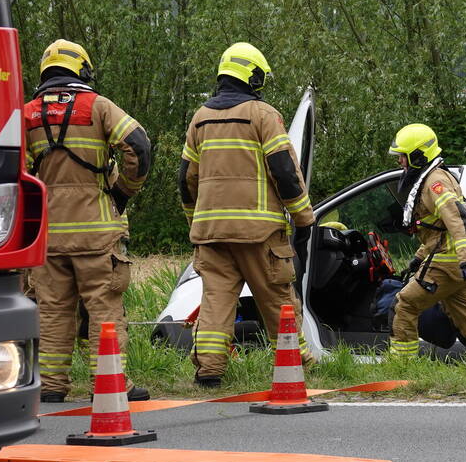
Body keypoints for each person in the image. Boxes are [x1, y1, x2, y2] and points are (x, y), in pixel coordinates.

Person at [178, 42, 315, 387]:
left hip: (212, 235)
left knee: (215, 303)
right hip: (260, 234)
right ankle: (296, 364)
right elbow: (284, 171)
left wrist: (196, 221)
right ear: (253, 77)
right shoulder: (263, 115)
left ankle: (209, 371)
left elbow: (186, 179)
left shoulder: (200, 119)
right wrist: (303, 218)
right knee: (278, 300)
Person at [24, 39, 152, 403]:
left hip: (48, 235)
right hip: (97, 233)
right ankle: (108, 382)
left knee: (52, 310)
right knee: (104, 308)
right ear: (83, 70)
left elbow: (12, 170)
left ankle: (51, 385)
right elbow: (139, 147)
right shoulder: (99, 106)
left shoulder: (26, 114)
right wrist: (121, 194)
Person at [387, 123, 466, 365]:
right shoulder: (432, 177)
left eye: (403, 156)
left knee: (405, 304)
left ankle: (402, 367)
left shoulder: (435, 182)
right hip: (454, 265)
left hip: (447, 263)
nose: (400, 161)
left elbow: (458, 220)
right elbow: (437, 230)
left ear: (418, 155)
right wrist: (419, 257)